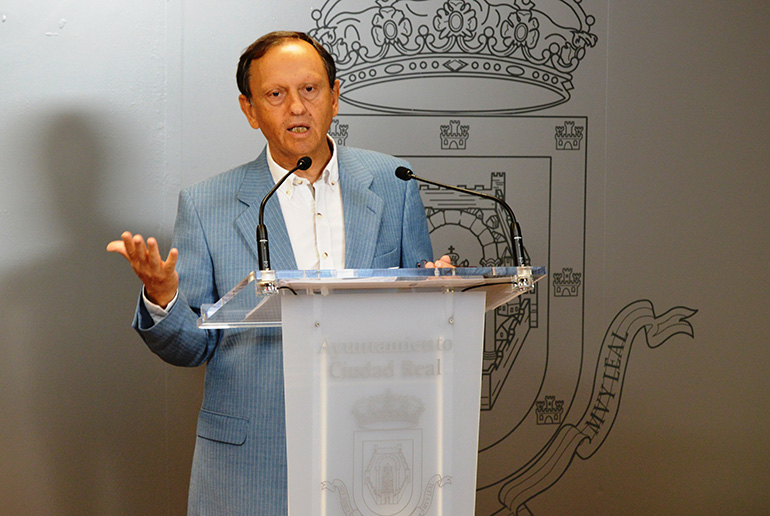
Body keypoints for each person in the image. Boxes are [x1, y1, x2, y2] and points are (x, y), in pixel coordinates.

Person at [108, 31, 451, 515]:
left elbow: (420, 323)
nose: (296, 108)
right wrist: (163, 298)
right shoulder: (207, 204)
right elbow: (192, 348)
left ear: (335, 96)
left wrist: (440, 295)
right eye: (276, 95)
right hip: (252, 468)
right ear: (250, 110)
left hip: (376, 452)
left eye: (310, 90)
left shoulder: (393, 184)